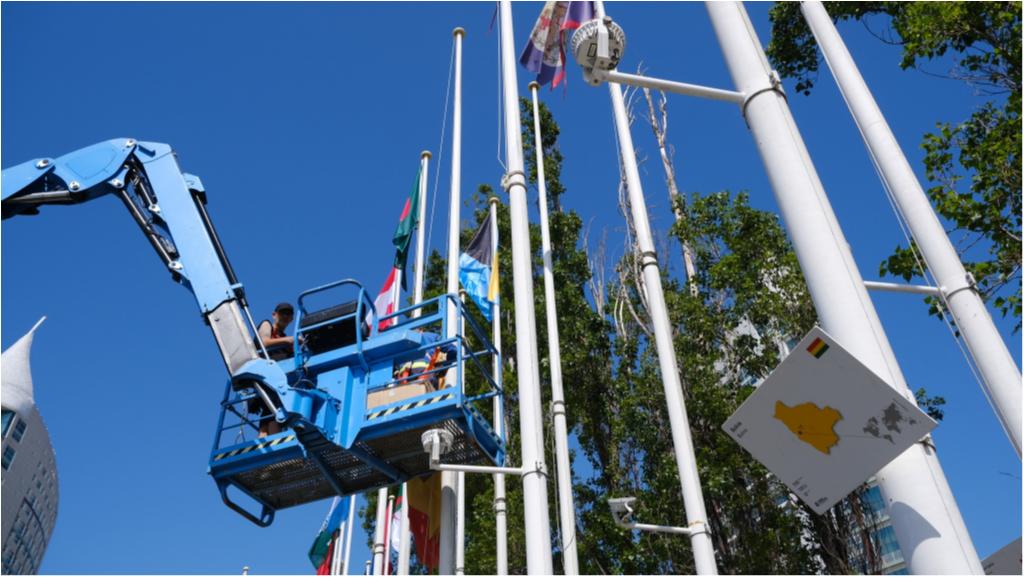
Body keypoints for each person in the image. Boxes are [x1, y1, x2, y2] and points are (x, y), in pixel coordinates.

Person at [250, 302, 295, 437]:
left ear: (291, 319)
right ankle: (275, 441)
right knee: (275, 411)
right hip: (267, 375)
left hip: (276, 378)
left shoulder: (284, 338)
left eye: (288, 314)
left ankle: (265, 441)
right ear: (274, 315)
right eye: (282, 313)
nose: (285, 316)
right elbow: (264, 342)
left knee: (268, 414)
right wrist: (289, 340)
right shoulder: (267, 325)